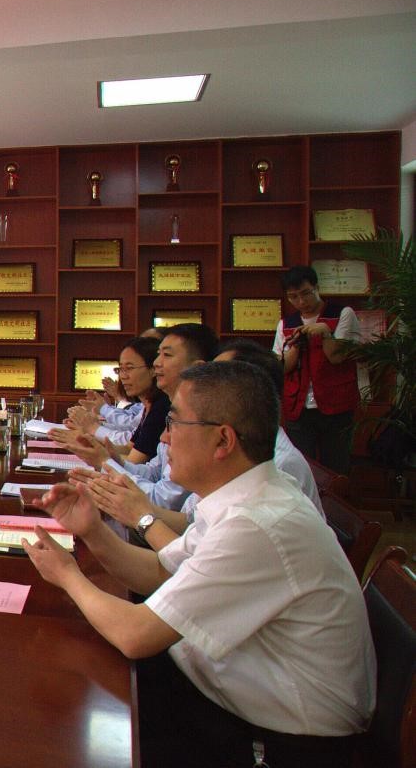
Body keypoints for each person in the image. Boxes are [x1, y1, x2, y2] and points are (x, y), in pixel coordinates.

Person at [23, 360, 374, 768]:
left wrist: (68, 575)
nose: (164, 437)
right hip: (225, 692)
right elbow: (161, 571)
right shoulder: (240, 497)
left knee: (68, 720)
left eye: (174, 423)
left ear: (223, 440)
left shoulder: (259, 522)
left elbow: (136, 634)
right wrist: (92, 532)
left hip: (283, 742)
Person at [81, 338, 323, 549]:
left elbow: (179, 550)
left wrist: (137, 512)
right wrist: (126, 510)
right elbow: (190, 526)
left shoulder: (270, 474)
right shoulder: (233, 448)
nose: (165, 438)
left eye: (166, 355)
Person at [54, 323, 217, 512]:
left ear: (197, 368)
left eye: (167, 355)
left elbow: (163, 500)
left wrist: (105, 462)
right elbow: (153, 472)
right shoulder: (172, 408)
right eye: (158, 354)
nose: (157, 363)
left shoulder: (194, 418)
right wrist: (114, 460)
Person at [275, 265, 362, 473]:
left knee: (336, 466)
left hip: (336, 404)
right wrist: (296, 345)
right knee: (300, 466)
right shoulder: (286, 323)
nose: (301, 302)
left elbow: (337, 357)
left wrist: (325, 334)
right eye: (293, 297)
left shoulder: (342, 314)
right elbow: (281, 367)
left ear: (317, 287)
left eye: (306, 293)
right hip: (298, 407)